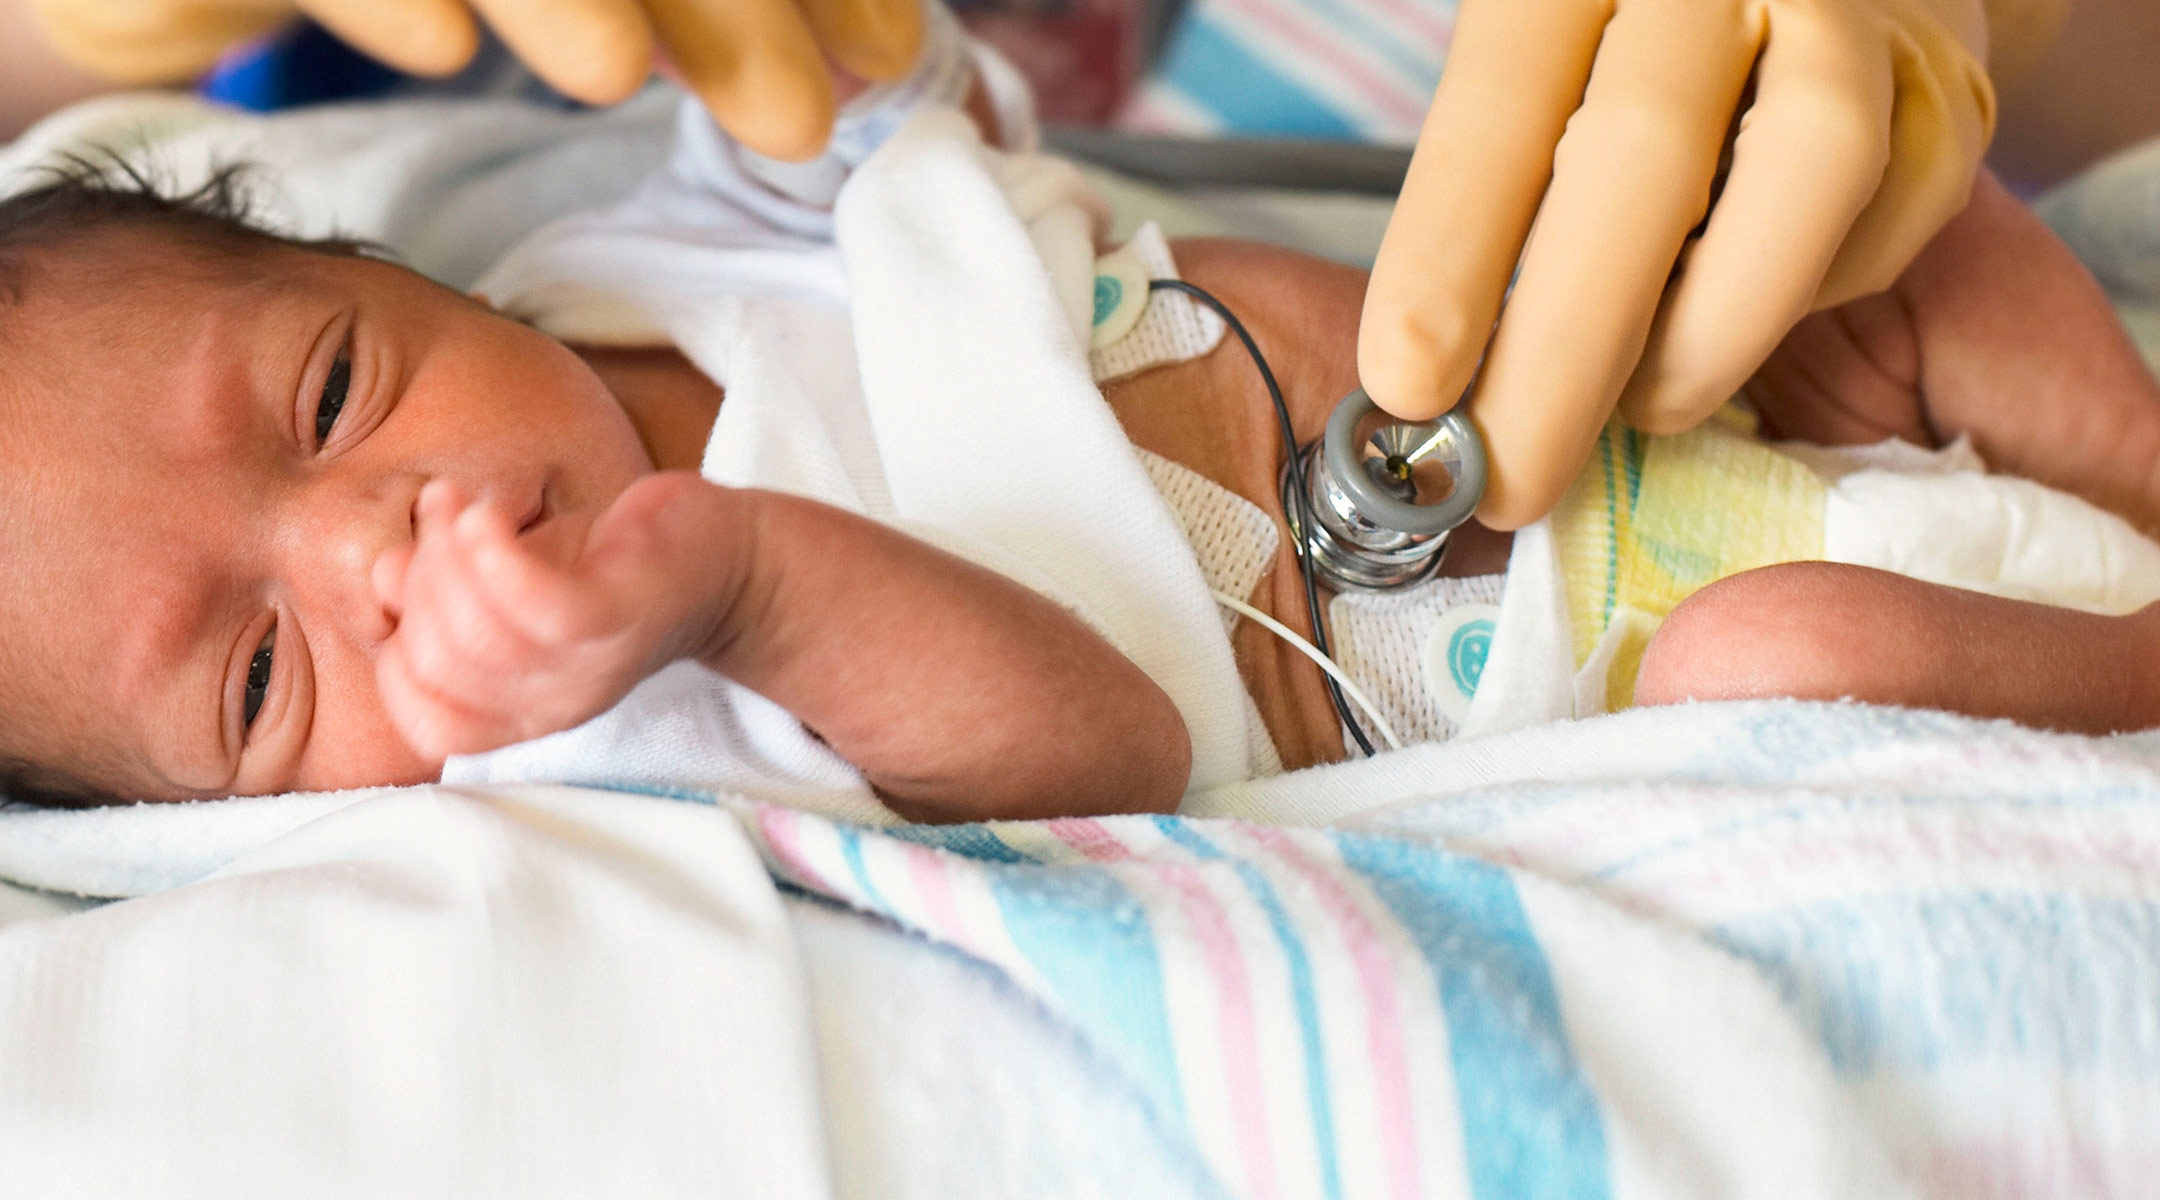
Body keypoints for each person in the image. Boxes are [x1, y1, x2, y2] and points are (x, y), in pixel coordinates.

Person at [2, 22, 2160, 824]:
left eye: (329, 390)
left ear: (409, 277)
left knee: (1902, 223)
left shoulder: (642, 244)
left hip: (1685, 377)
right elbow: (1101, 750)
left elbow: (851, 81)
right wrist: (738, 587)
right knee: (1770, 659)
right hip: (1654, 627)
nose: (381, 542)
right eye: (266, 673)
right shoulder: (611, 737)